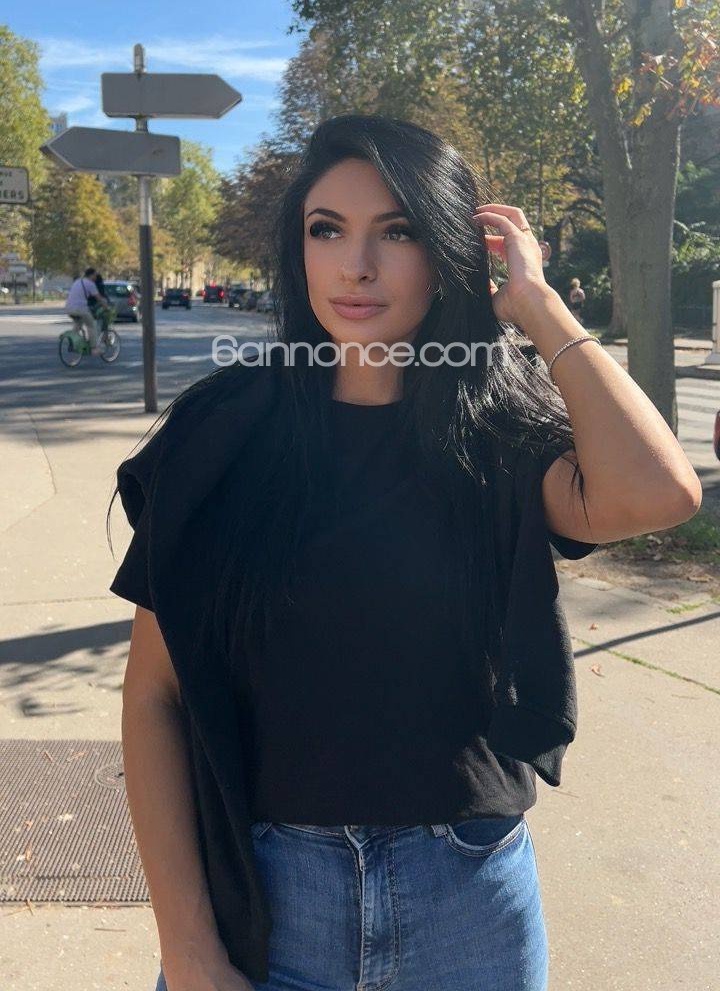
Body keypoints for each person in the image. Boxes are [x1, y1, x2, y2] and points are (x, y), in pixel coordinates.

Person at [108, 115, 701, 991]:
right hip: (267, 905)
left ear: (449, 252)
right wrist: (187, 948)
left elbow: (659, 494)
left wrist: (539, 306)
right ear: (298, 249)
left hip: (467, 907)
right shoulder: (223, 432)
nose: (356, 265)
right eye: (327, 230)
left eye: (398, 231)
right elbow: (153, 696)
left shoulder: (498, 432)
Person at [64, 267, 111, 354]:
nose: (96, 277)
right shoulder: (90, 284)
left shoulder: (77, 281)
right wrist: (106, 307)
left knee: (78, 324)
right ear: (91, 275)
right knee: (91, 325)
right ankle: (94, 348)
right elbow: (99, 298)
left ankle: (72, 343)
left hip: (68, 308)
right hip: (79, 309)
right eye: (95, 275)